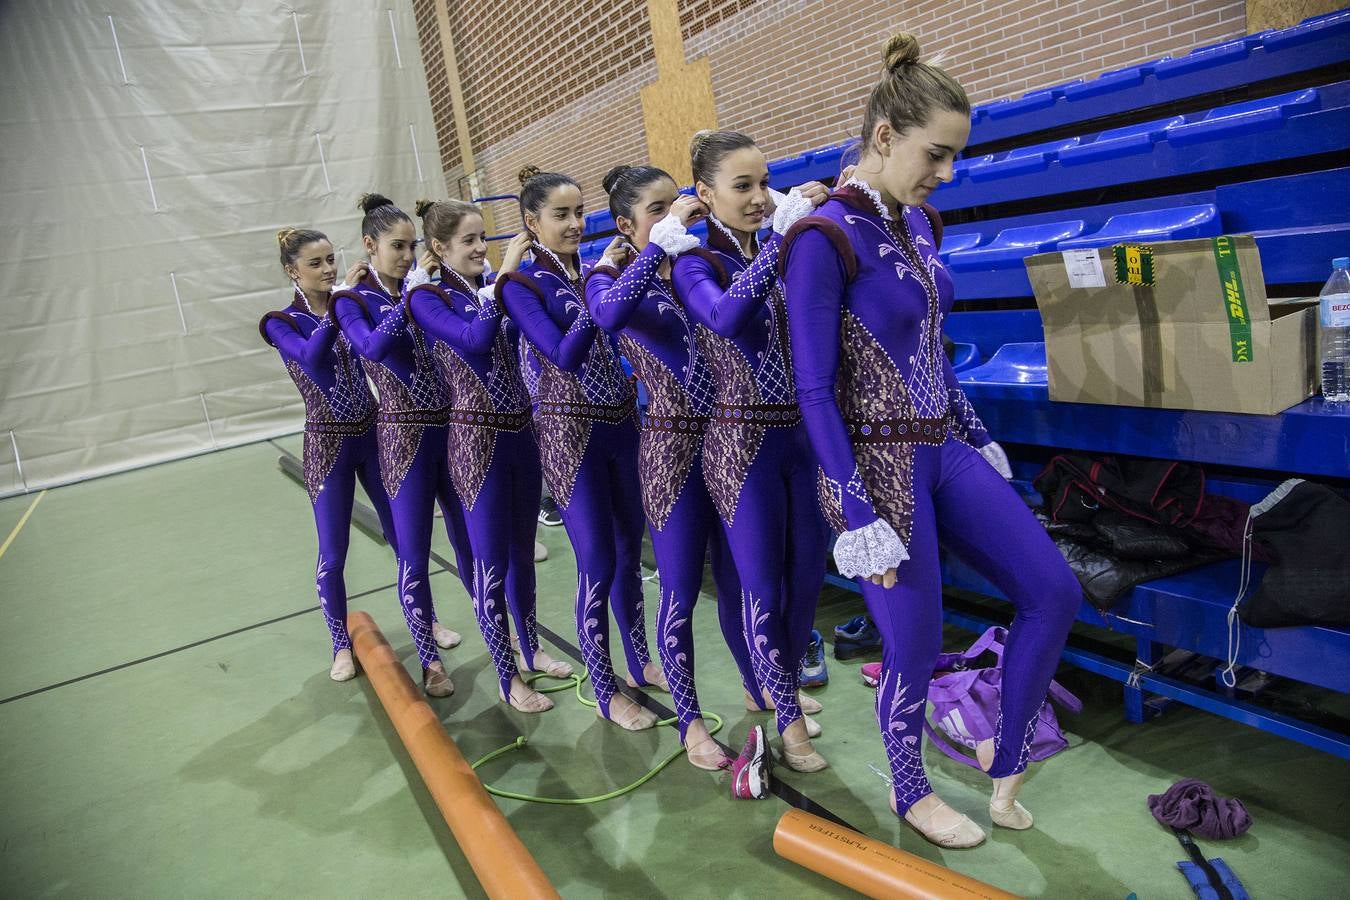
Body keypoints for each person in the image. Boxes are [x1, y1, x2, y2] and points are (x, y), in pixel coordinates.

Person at [781, 33, 1080, 847]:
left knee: (1053, 591)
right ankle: (910, 791)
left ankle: (1007, 763)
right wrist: (852, 507)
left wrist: (977, 433)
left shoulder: (921, 223)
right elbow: (812, 388)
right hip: (872, 463)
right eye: (935, 154)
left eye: (955, 158)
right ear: (885, 136)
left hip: (941, 446)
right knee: (914, 640)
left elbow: (931, 350)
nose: (945, 173)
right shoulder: (823, 237)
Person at [584, 164, 764, 768]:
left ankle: (755, 680)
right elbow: (606, 318)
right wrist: (652, 249)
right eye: (656, 209)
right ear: (626, 223)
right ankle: (689, 722)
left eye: (676, 204)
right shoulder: (608, 276)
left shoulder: (696, 264)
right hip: (668, 448)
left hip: (725, 438)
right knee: (683, 589)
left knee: (740, 581)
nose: (672, 217)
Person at [670, 131, 831, 771]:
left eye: (765, 184)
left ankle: (781, 685)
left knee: (807, 582)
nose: (761, 198)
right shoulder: (692, 261)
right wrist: (785, 243)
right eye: (744, 187)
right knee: (761, 587)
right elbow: (727, 317)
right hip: (740, 443)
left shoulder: (780, 247)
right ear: (705, 196)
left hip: (800, 437)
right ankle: (787, 722)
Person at [496, 168, 666, 730]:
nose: (573, 225)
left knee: (628, 551)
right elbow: (563, 355)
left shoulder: (591, 273)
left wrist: (609, 279)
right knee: (595, 559)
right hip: (570, 435)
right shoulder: (521, 286)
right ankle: (603, 682)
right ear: (531, 222)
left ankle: (640, 659)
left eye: (578, 214)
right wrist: (604, 292)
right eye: (559, 215)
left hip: (621, 425)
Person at [408, 199, 573, 712]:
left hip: (520, 434)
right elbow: (476, 340)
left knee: (523, 552)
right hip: (475, 442)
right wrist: (505, 277)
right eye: (469, 241)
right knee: (490, 563)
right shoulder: (425, 299)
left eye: (485, 238)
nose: (482, 248)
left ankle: (531, 649)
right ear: (439, 248)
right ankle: (507, 678)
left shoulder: (487, 291)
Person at [332, 194, 476, 697]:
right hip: (401, 439)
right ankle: (430, 661)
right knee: (413, 553)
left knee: (471, 546)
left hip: (451, 432)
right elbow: (370, 347)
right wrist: (413, 293)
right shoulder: (350, 301)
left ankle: (510, 650)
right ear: (370, 246)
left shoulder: (423, 291)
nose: (407, 256)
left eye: (413, 246)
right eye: (397, 246)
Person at [260, 228, 400, 682]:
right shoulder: (279, 322)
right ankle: (340, 642)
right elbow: (311, 356)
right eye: (315, 263)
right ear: (292, 271)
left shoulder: (349, 306)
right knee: (334, 551)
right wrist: (340, 309)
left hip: (372, 435)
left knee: (404, 536)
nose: (328, 270)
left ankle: (425, 620)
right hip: (328, 445)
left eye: (330, 261)